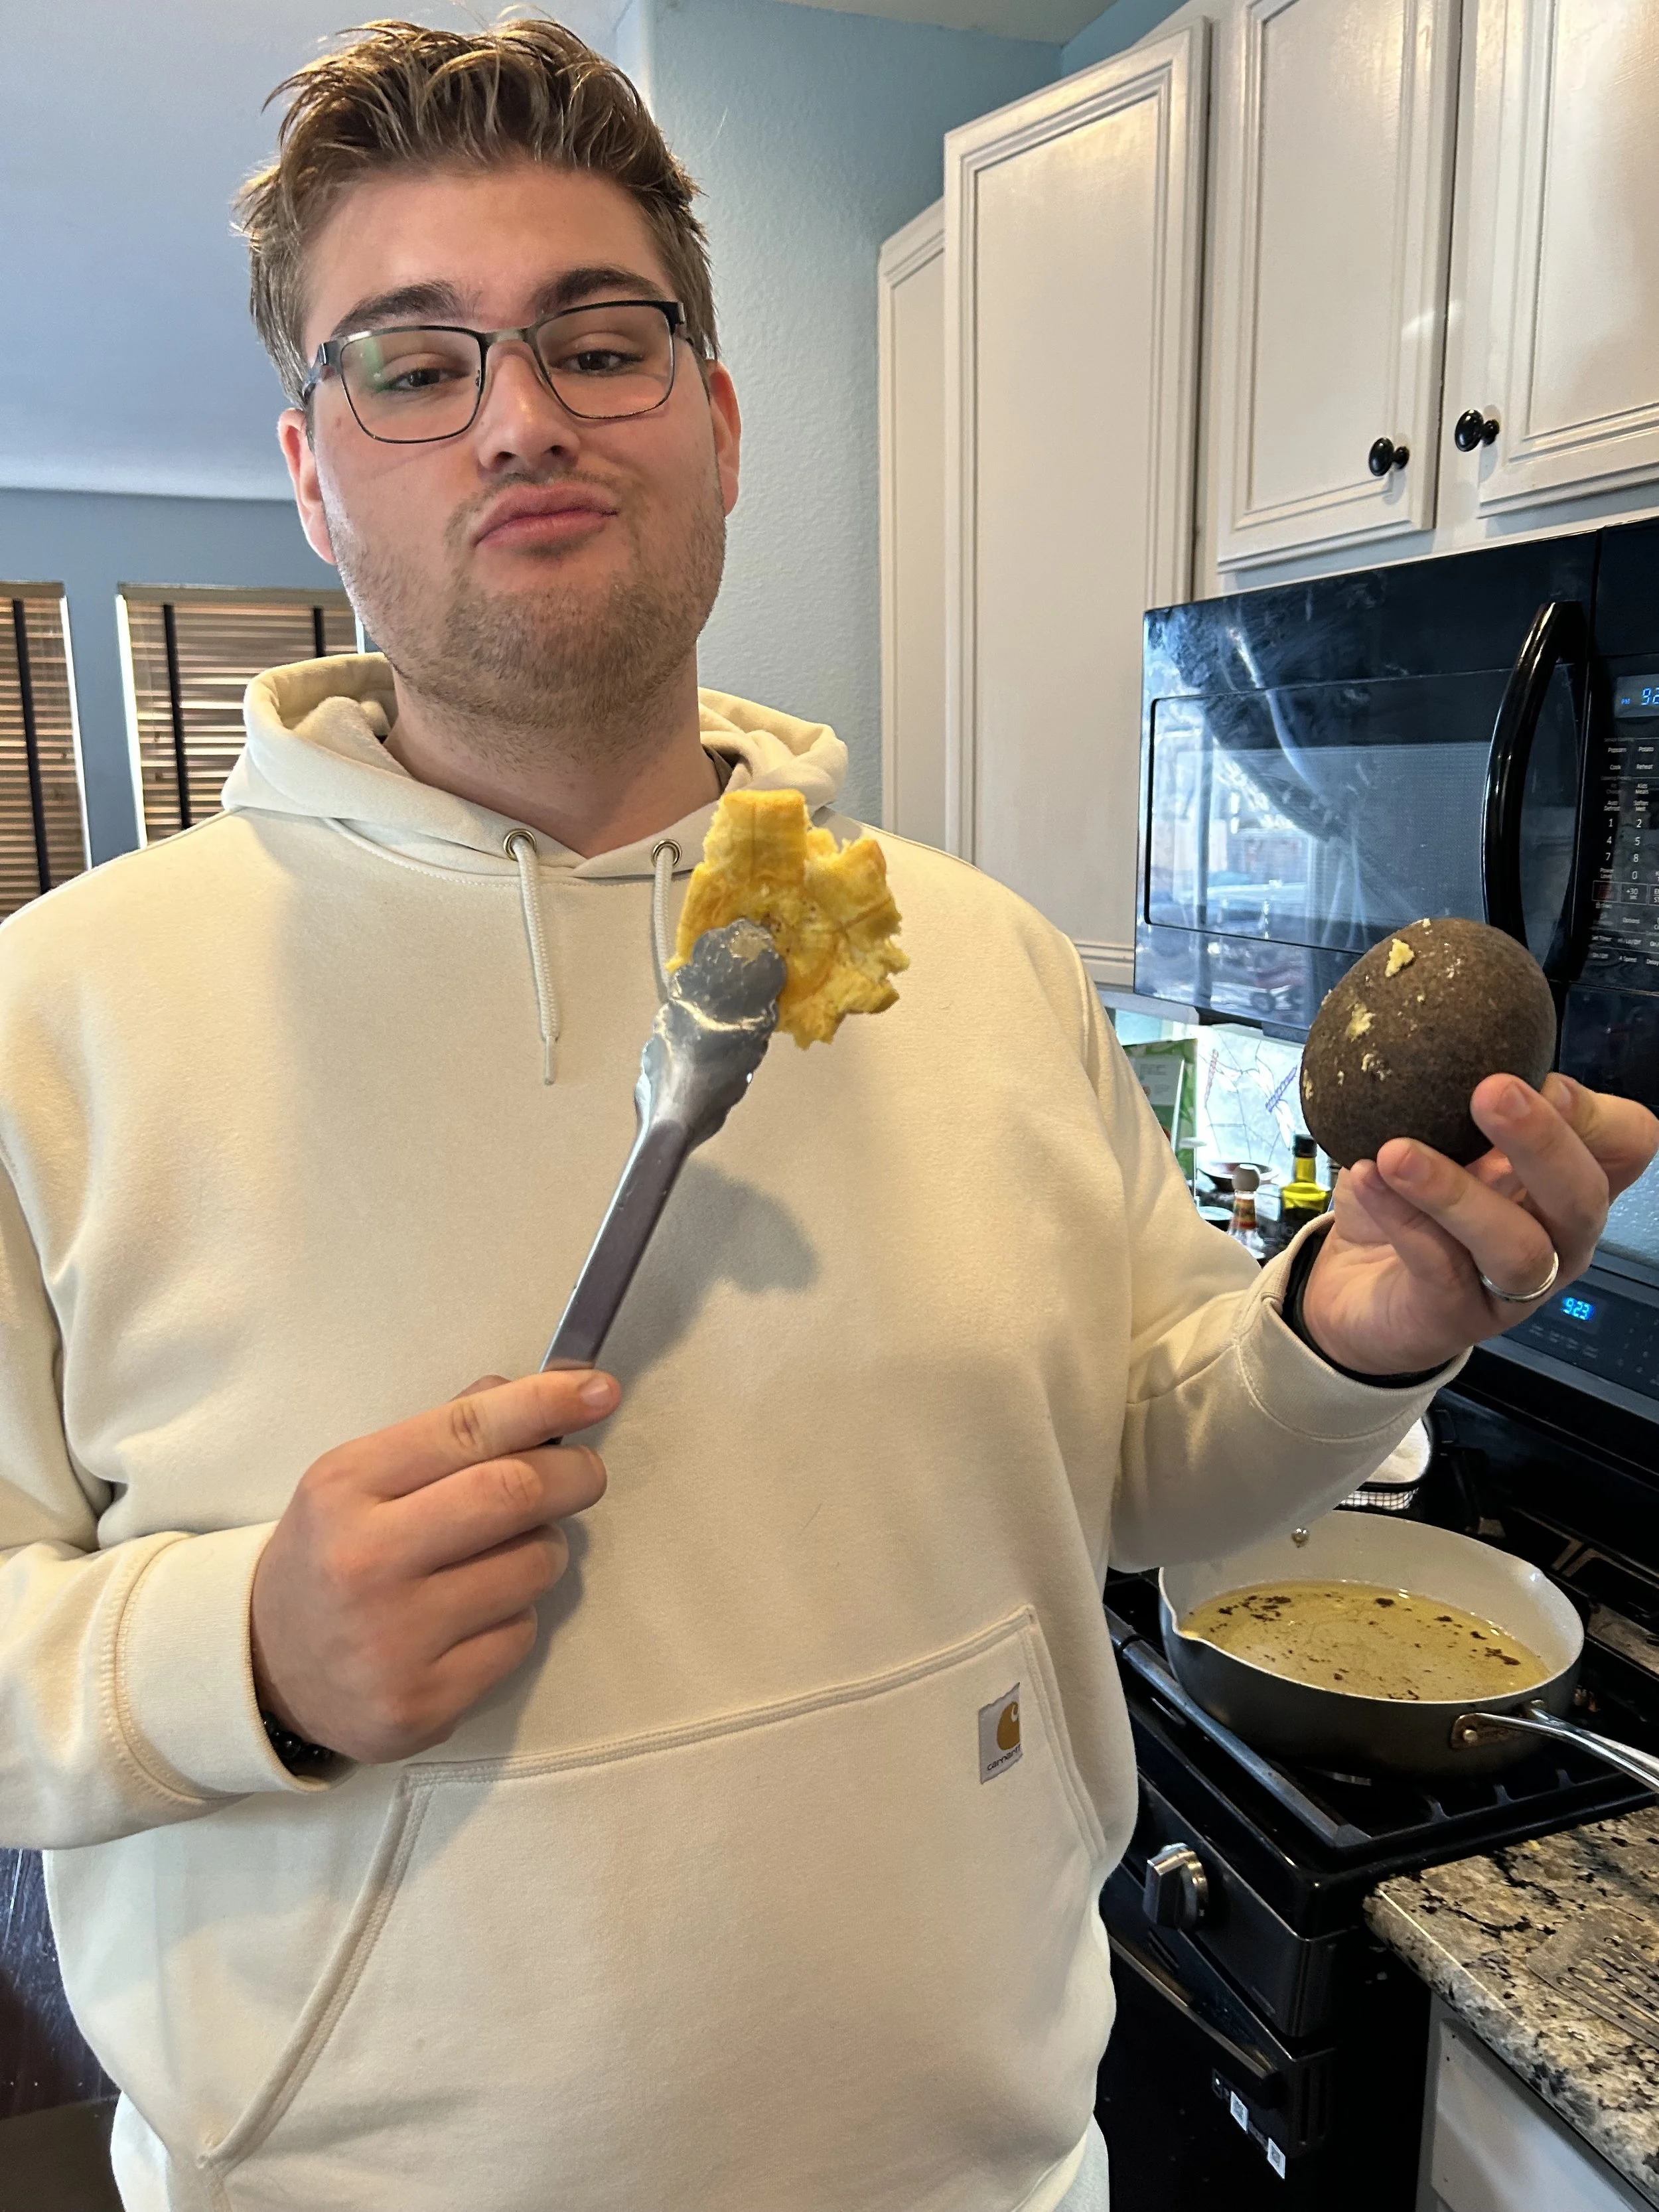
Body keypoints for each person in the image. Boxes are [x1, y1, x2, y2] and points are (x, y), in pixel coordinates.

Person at [0, 19, 1651, 2211]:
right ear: (312, 470)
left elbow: (1154, 1466)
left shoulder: (980, 965)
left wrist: (1343, 1331)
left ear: (716, 423)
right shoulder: (59, 1018)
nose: (519, 414)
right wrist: (244, 1652)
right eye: (412, 363)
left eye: (600, 339)